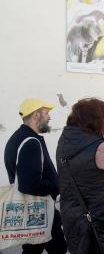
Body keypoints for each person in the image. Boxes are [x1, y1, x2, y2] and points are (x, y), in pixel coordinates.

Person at [56, 98, 104, 254]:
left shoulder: (63, 141)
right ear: (97, 120)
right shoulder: (99, 147)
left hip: (72, 215)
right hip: (100, 219)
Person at [4, 98, 67, 254]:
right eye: (46, 113)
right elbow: (29, 184)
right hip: (38, 209)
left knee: (34, 249)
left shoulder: (17, 137)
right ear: (36, 115)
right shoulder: (30, 142)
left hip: (31, 208)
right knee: (58, 248)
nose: (49, 117)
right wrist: (55, 185)